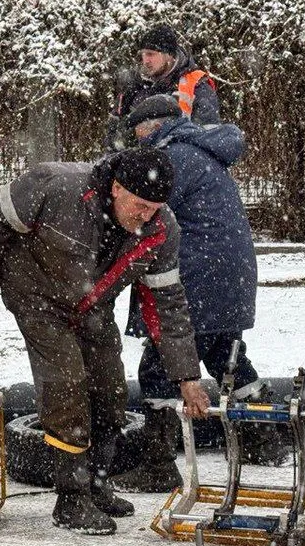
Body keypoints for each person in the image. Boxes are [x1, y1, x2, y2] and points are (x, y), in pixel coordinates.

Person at [0, 146, 207, 535]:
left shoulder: (161, 229)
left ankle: (97, 483)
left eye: (155, 207)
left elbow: (167, 305)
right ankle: (71, 498)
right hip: (36, 295)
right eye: (140, 205)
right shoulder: (56, 187)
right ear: (116, 188)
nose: (145, 216)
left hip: (91, 304)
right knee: (68, 382)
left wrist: (187, 376)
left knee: (111, 387)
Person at [112, 96, 283, 493]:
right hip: (226, 275)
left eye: (137, 131)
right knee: (227, 356)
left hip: (196, 275)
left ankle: (157, 465)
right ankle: (265, 441)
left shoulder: (172, 160)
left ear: (151, 127)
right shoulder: (200, 152)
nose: (136, 140)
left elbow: (144, 217)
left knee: (159, 365)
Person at [105, 23, 220, 152]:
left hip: (179, 165)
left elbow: (210, 139)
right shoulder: (133, 86)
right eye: (143, 54)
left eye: (151, 54)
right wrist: (132, 135)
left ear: (168, 55)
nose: (145, 61)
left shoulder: (196, 85)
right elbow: (112, 138)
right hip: (135, 166)